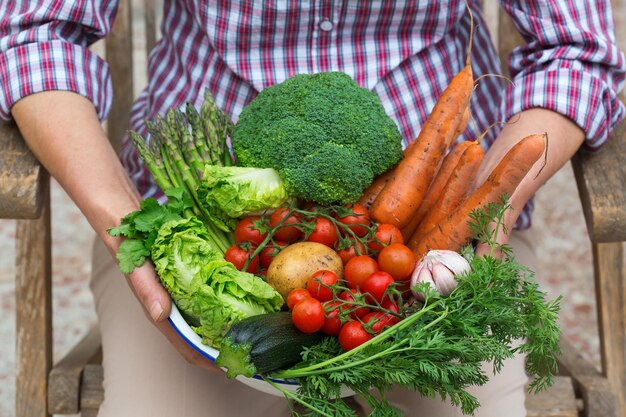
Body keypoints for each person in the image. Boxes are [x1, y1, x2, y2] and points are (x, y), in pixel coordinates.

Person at [1, 1, 624, 416]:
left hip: (442, 234)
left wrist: (494, 199)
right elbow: (38, 32)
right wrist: (125, 225)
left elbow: (577, 49)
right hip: (200, 225)